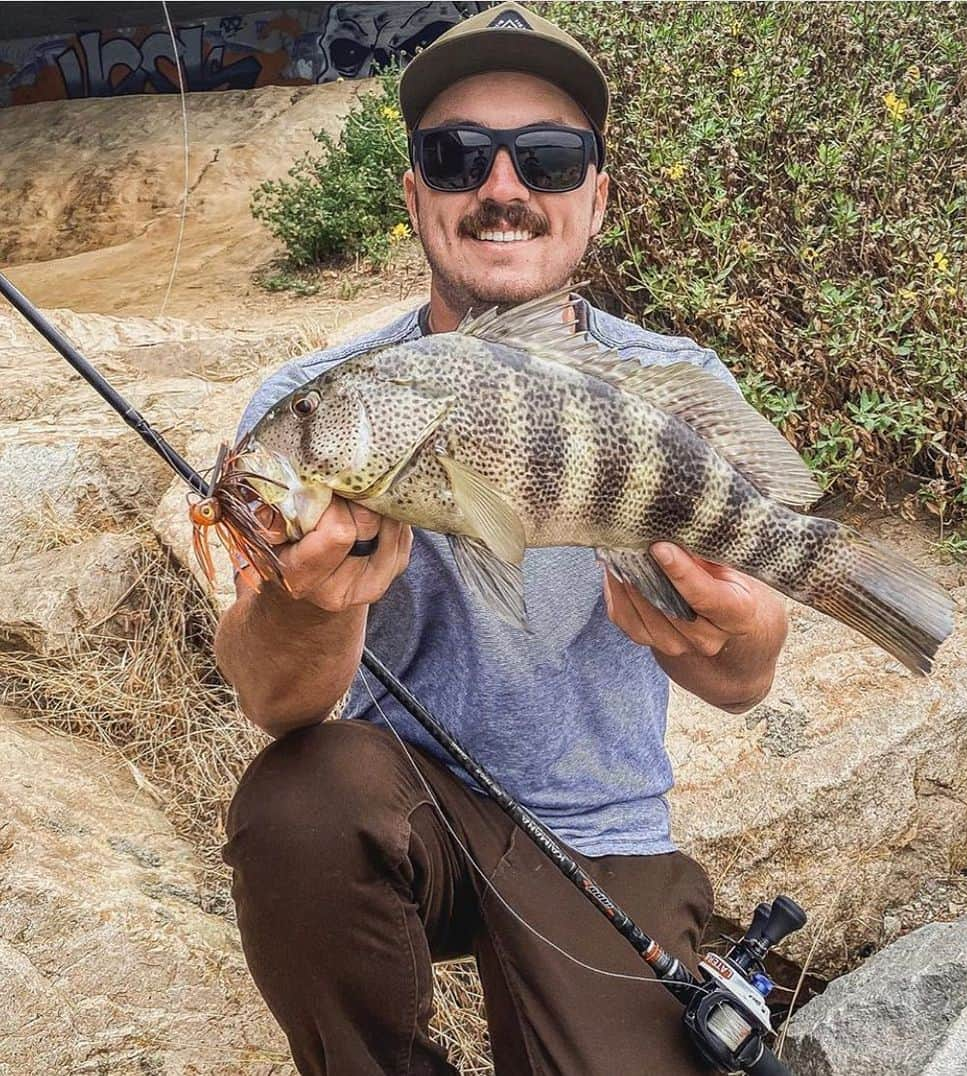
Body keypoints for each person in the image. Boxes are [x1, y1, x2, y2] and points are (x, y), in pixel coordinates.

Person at [216, 4, 789, 1074]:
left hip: (601, 832)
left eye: (551, 157)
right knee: (297, 806)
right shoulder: (311, 402)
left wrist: (742, 636)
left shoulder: (675, 386)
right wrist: (309, 602)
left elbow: (746, 679)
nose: (504, 187)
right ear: (415, 196)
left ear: (597, 198)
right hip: (409, 812)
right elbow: (272, 701)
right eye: (457, 155)